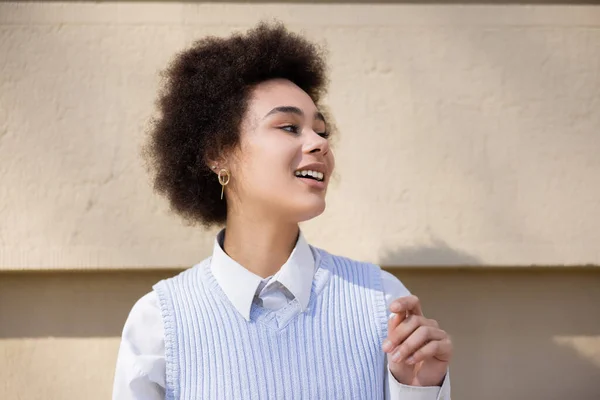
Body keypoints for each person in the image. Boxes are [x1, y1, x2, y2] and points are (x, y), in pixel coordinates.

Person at [112, 21, 452, 400]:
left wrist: (418, 389)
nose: (319, 143)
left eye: (321, 130)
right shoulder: (159, 324)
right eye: (289, 127)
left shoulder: (382, 303)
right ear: (218, 154)